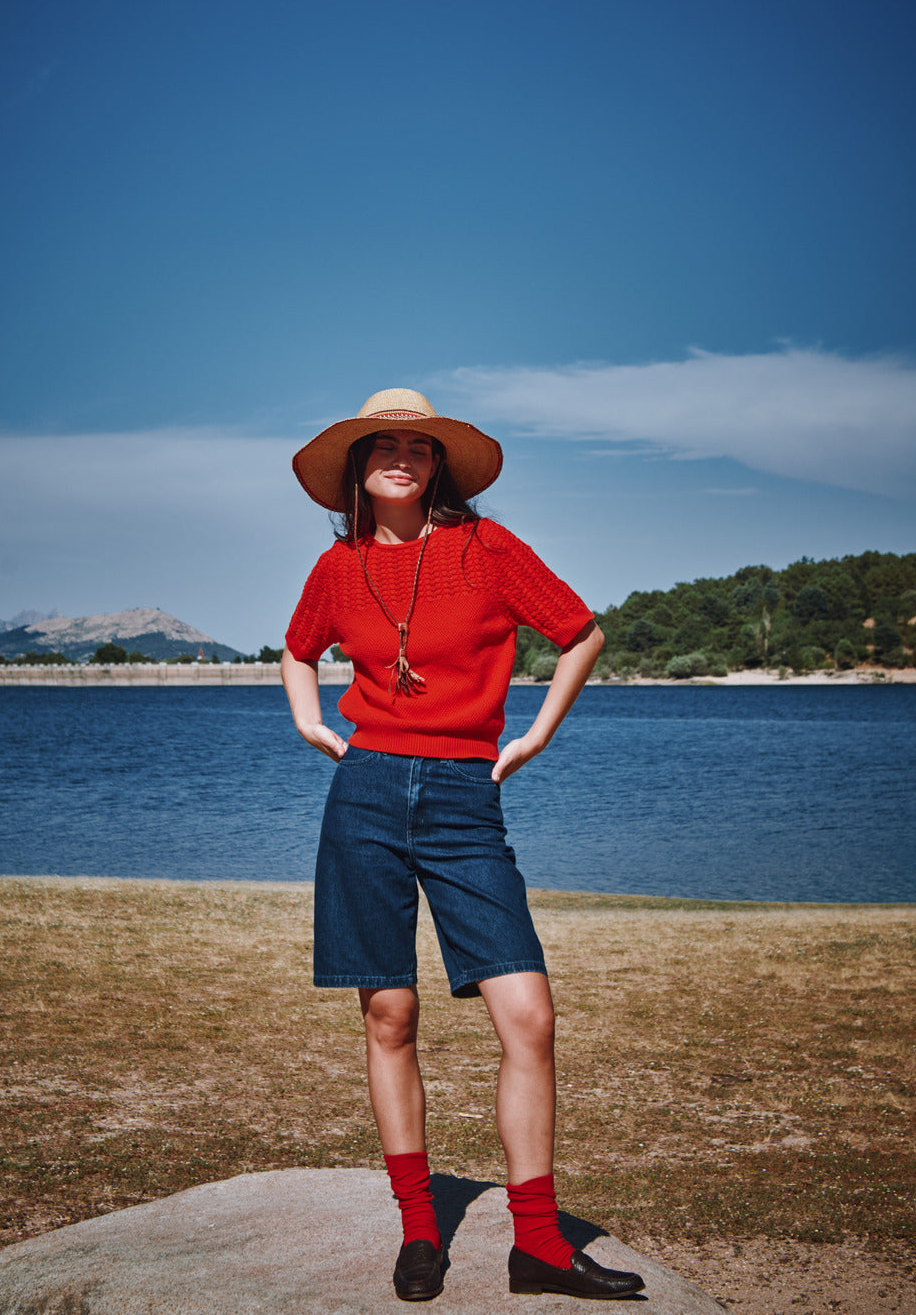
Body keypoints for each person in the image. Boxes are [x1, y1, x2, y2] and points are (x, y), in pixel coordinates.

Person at [281, 388, 644, 1304]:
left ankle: (538, 1246)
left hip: (462, 795)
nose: (403, 456)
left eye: (420, 445)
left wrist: (535, 738)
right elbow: (296, 649)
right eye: (385, 445)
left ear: (438, 464)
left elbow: (579, 632)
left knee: (526, 1014)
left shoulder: (488, 549)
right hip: (362, 790)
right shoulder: (337, 565)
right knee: (388, 1015)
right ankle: (417, 1232)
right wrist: (311, 723)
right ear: (358, 467)